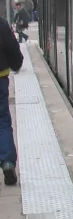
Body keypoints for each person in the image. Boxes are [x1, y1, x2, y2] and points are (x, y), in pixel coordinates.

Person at [0, 12, 23, 185]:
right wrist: (16, 64)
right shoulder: (1, 23)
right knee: (2, 121)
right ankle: (7, 162)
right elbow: (12, 48)